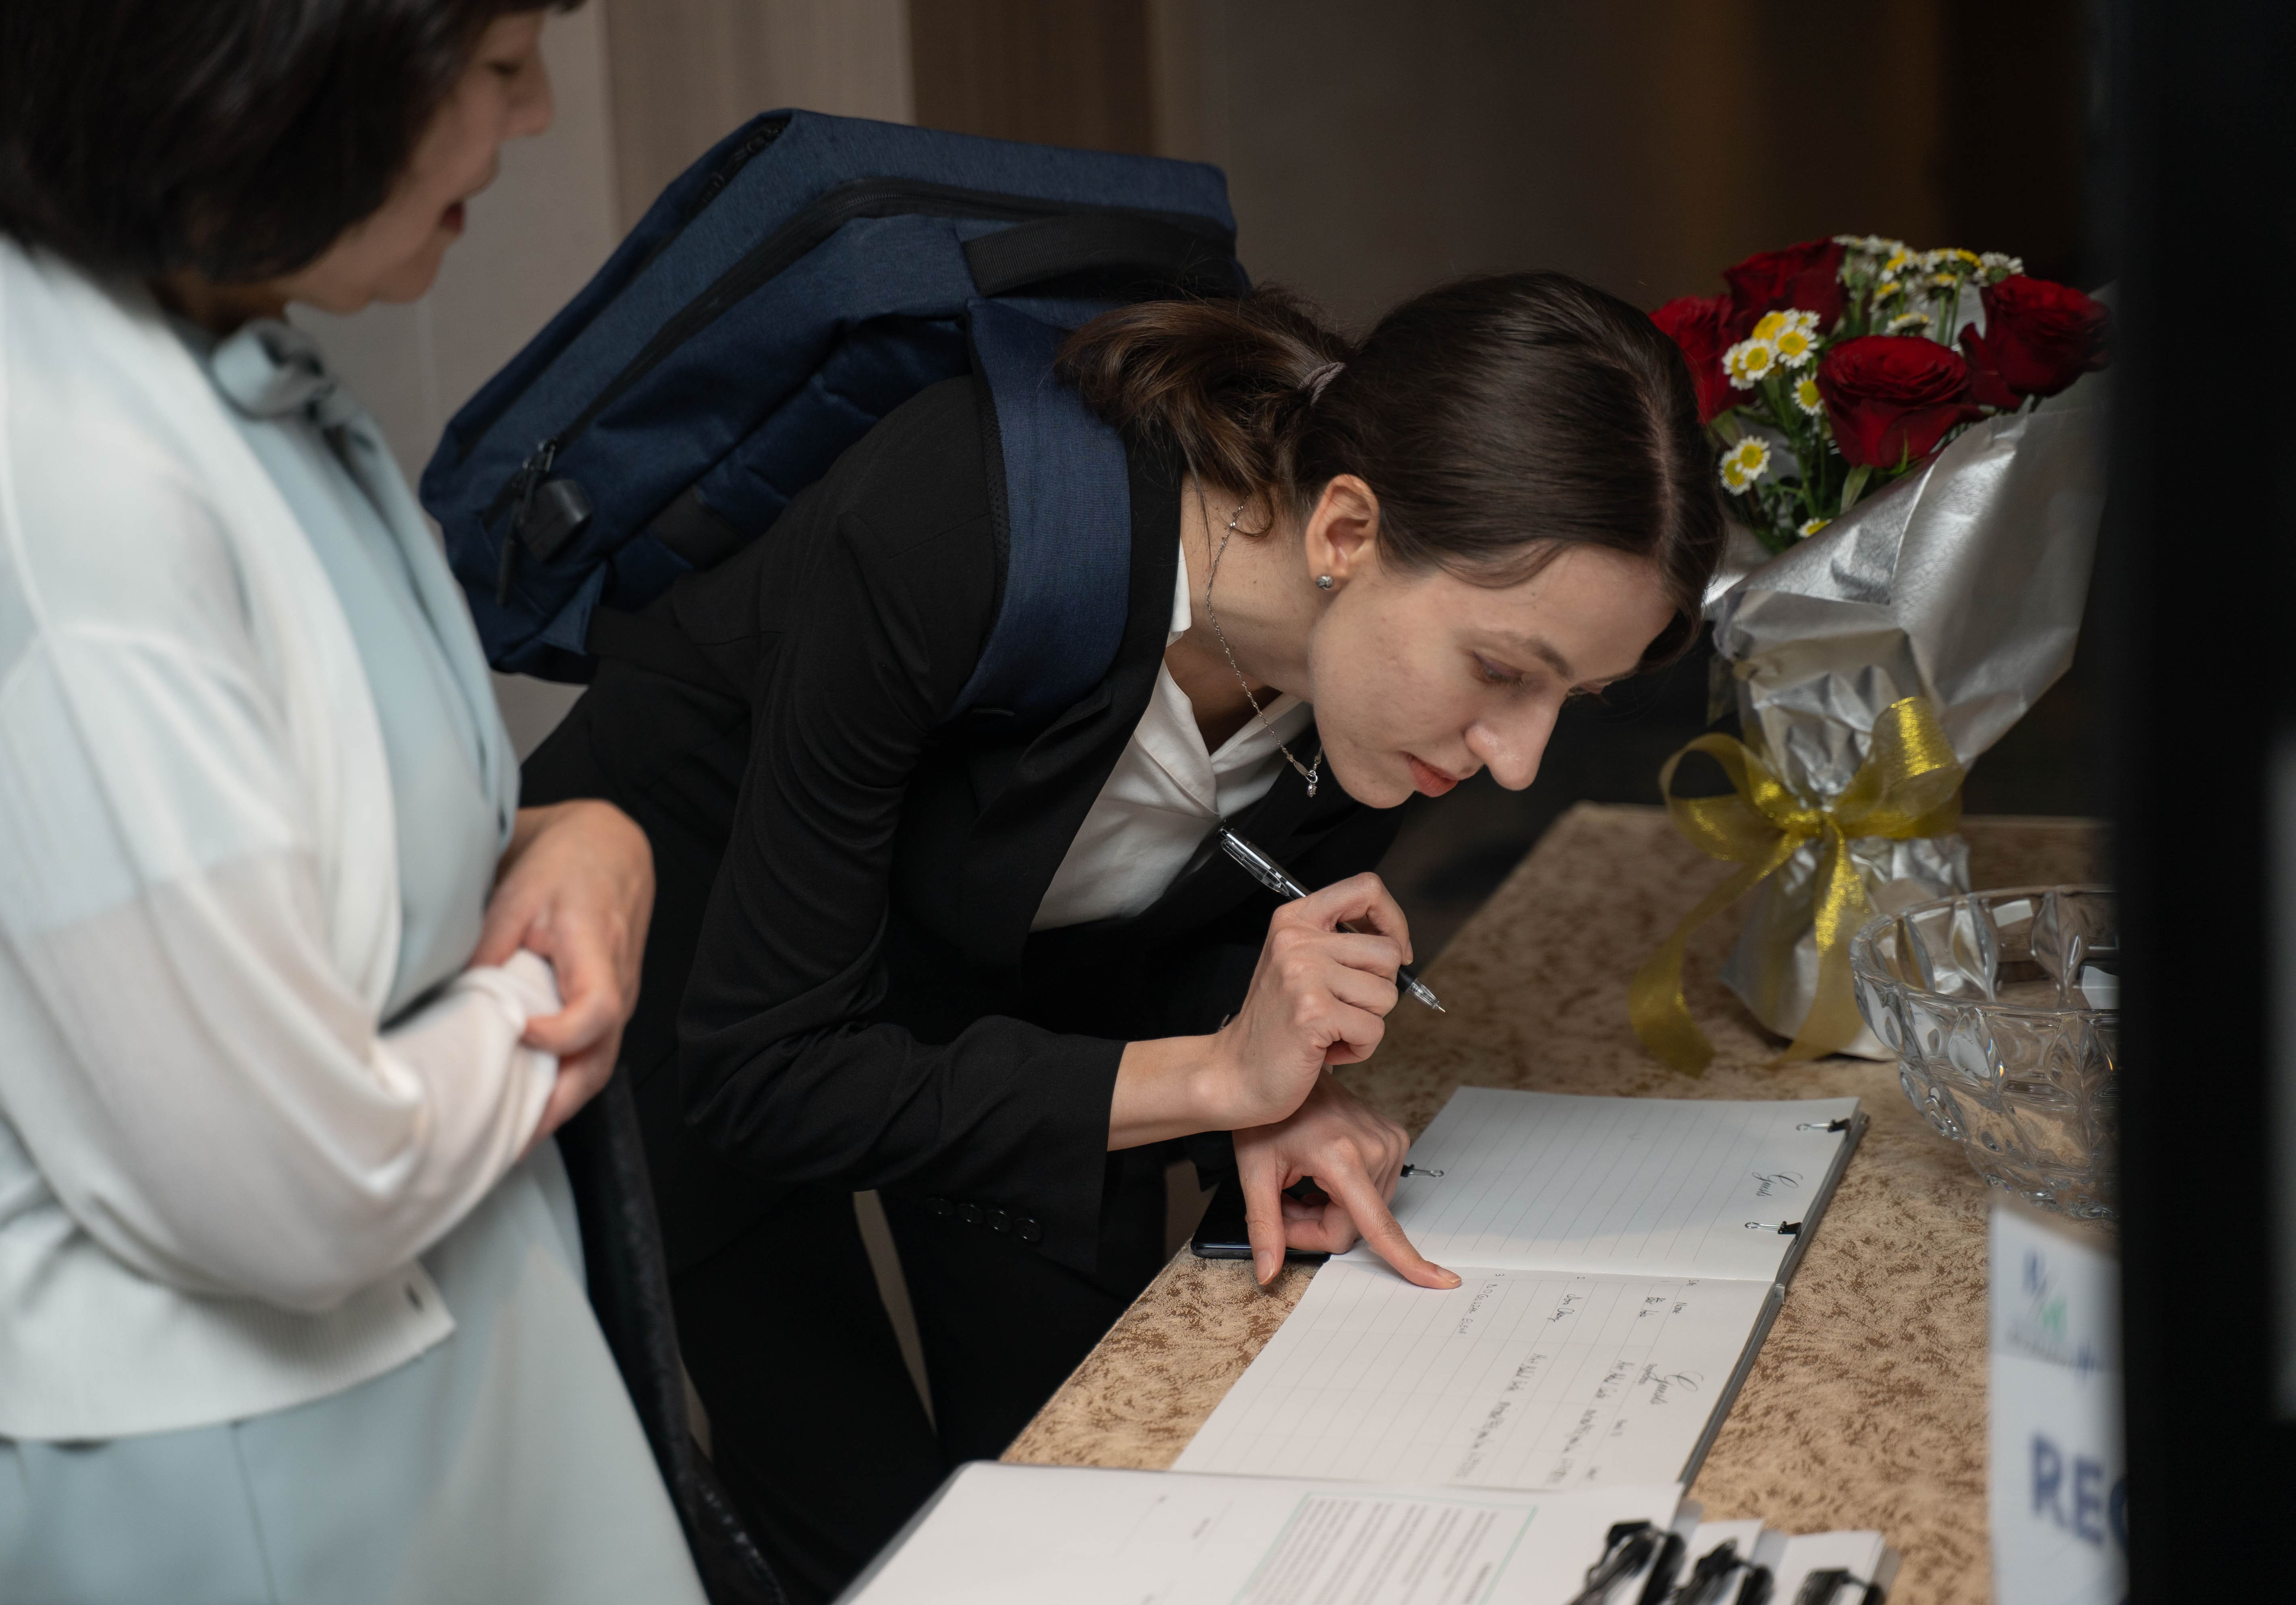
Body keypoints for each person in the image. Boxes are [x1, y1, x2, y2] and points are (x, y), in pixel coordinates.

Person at [524, 272, 1727, 1597]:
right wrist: (1216, 1074)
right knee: (863, 1539)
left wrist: (1272, 1070)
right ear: (1345, 528)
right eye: (1502, 671)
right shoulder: (957, 521)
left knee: (1090, 1490)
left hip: (1003, 992)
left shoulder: (1380, 712)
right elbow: (767, 1077)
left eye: (1574, 697)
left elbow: (1186, 929)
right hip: (692, 977)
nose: (1518, 760)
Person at [0, 3, 703, 1600]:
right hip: (241, 1483)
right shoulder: (64, 503)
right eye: (498, 65)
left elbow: (321, 845)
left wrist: (576, 841)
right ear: (266, 69)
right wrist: (546, 980)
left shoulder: (196, 345)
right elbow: (306, 1186)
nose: (535, 114)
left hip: (436, 1369)